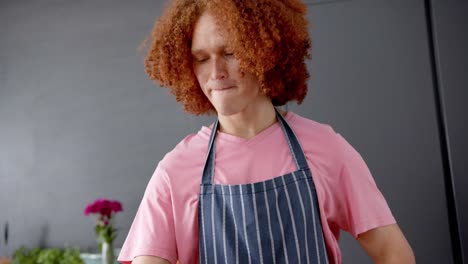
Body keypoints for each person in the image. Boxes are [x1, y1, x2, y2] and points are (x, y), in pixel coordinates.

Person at [118, 0, 415, 263]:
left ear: (265, 54)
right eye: (202, 58)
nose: (216, 72)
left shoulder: (326, 148)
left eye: (230, 52)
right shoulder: (175, 172)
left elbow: (394, 254)